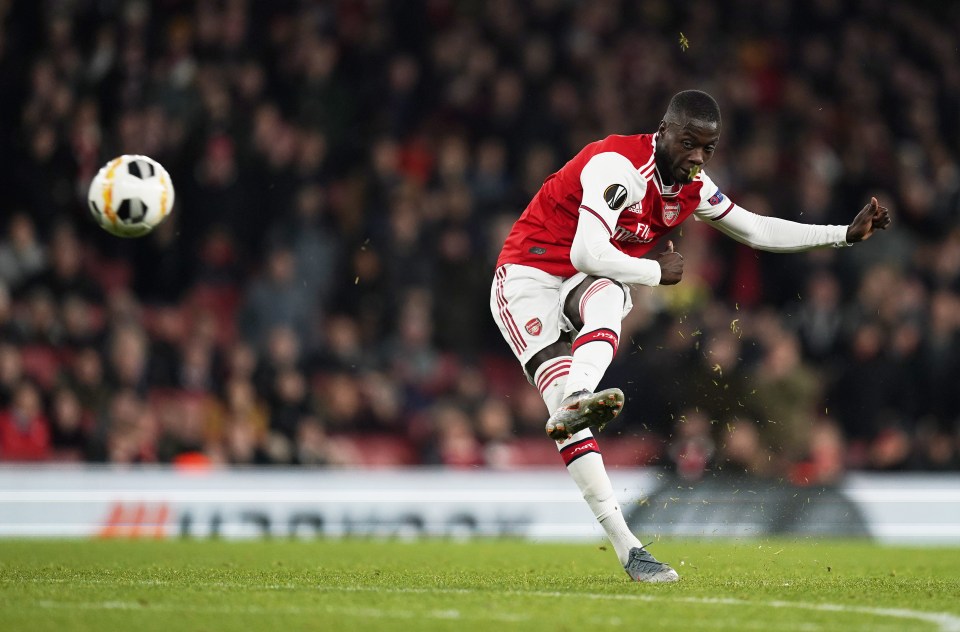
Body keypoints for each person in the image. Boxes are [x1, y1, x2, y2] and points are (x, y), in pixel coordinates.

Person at [489, 90, 890, 583]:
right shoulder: (617, 166)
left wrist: (841, 235)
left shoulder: (691, 185)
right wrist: (655, 272)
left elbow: (757, 229)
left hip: (577, 279)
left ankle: (578, 396)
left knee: (610, 298)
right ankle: (627, 544)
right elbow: (589, 250)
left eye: (708, 148)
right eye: (688, 143)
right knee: (574, 406)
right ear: (663, 131)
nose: (697, 157)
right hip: (527, 278)